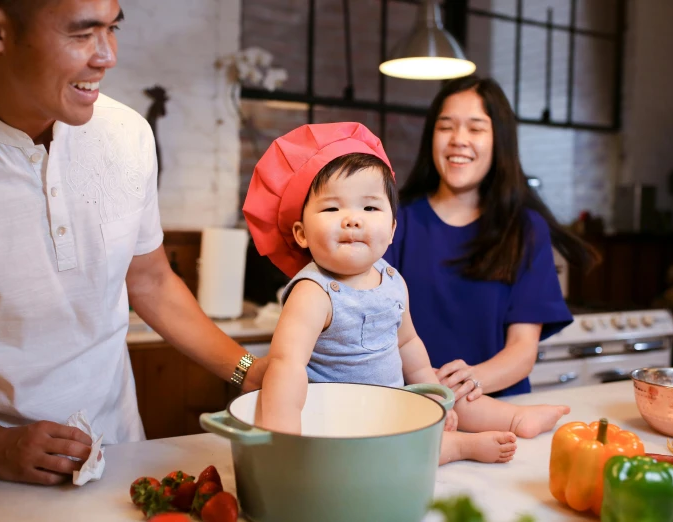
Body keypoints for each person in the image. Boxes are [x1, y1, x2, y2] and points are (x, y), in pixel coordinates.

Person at [0, 0, 265, 485]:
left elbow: (150, 280)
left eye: (112, 29)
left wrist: (248, 371)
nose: (108, 55)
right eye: (82, 34)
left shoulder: (127, 133)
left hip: (117, 457)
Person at [243, 122, 570, 465]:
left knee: (454, 396)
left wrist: (438, 397)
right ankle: (457, 447)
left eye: (369, 208)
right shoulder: (314, 292)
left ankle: (516, 418)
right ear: (301, 233)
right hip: (338, 414)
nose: (353, 219)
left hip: (393, 401)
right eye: (332, 208)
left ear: (392, 229)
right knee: (391, 450)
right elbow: (286, 365)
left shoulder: (392, 279)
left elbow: (408, 344)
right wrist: (283, 437)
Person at [384, 76, 598, 400]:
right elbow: (374, 329)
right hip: (412, 408)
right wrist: (427, 386)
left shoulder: (525, 229)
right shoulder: (395, 223)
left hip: (498, 413)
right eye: (446, 127)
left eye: (475, 128)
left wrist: (469, 381)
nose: (458, 139)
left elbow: (522, 350)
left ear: (499, 141)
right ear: (431, 137)